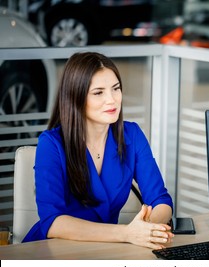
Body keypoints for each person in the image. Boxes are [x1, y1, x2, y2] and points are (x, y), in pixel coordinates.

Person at [23, 52, 174, 250]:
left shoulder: (133, 135)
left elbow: (160, 200)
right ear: (76, 97)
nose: (111, 100)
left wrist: (147, 230)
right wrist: (128, 233)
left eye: (116, 89)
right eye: (98, 92)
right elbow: (53, 222)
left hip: (108, 249)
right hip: (55, 251)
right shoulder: (51, 144)